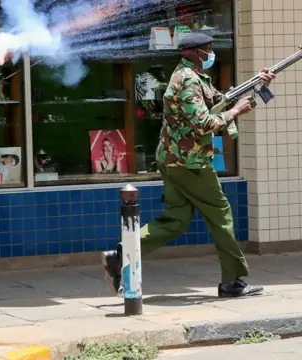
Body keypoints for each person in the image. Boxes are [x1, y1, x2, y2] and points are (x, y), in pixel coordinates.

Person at [101, 33, 276, 299]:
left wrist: (254, 84)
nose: (211, 53)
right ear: (192, 52)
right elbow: (204, 122)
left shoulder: (193, 77)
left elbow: (220, 99)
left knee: (177, 219)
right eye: (207, 49)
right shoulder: (187, 81)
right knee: (221, 215)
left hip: (177, 160)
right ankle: (232, 280)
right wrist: (235, 112)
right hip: (190, 162)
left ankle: (121, 253)